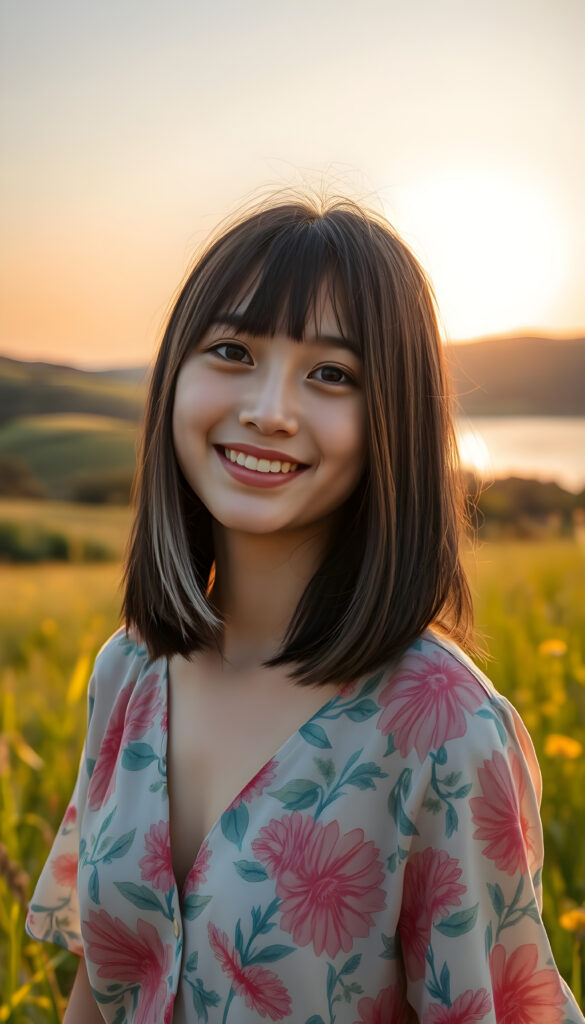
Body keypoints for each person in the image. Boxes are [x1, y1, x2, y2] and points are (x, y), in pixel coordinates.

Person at [26, 192, 584, 1024]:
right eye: (231, 350)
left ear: (391, 418)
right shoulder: (128, 674)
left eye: (331, 373)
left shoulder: (447, 735)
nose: (270, 410)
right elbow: (107, 985)